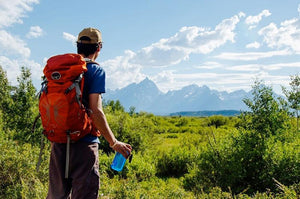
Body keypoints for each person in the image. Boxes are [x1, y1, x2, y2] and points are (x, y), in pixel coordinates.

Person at [47, 27, 132, 199]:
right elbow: (96, 110)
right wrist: (114, 142)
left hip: (59, 143)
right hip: (85, 144)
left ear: (77, 46)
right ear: (99, 47)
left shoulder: (62, 70)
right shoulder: (94, 70)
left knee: (56, 196)